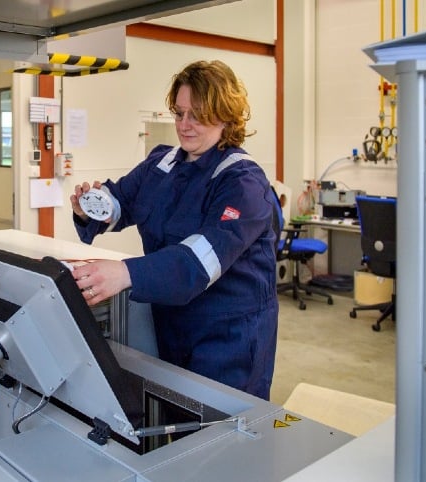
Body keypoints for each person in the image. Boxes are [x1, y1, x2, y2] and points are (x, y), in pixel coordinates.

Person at [69, 60, 278, 400]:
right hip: (171, 323)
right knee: (173, 412)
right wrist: (91, 207)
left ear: (226, 115)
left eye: (197, 115)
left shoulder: (243, 183)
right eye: (179, 114)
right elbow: (122, 202)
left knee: (220, 422)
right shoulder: (162, 162)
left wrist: (125, 272)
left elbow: (197, 261)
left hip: (226, 338)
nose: (184, 125)